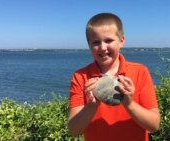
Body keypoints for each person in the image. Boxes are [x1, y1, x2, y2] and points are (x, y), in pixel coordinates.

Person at [68, 12, 160, 141]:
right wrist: (91, 106)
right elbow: (73, 130)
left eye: (109, 40)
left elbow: (154, 125)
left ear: (121, 41)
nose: (102, 47)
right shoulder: (80, 77)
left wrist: (129, 104)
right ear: (89, 45)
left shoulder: (140, 71)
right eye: (96, 42)